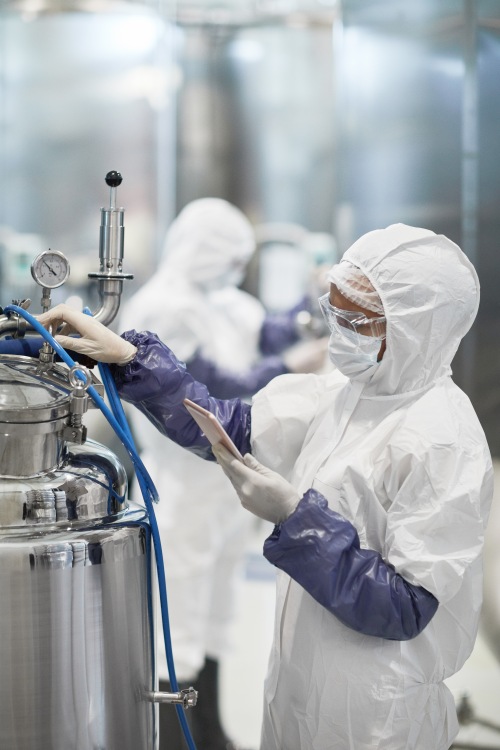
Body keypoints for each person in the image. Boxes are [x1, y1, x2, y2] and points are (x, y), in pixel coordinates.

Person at [39, 222, 494, 750]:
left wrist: (297, 519)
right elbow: (228, 426)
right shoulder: (347, 395)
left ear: (418, 330)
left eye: (355, 321)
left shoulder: (444, 441)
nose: (338, 332)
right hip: (299, 683)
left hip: (377, 715)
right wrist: (133, 359)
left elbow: (404, 606)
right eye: (334, 313)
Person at [116, 197, 328, 750]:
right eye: (232, 258)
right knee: (178, 616)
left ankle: (209, 730)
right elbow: (204, 392)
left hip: (226, 483)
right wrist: (291, 369)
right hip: (183, 484)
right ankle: (173, 734)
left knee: (216, 612)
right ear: (206, 253)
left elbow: (268, 330)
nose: (238, 269)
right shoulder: (164, 305)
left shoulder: (223, 300)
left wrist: (316, 308)